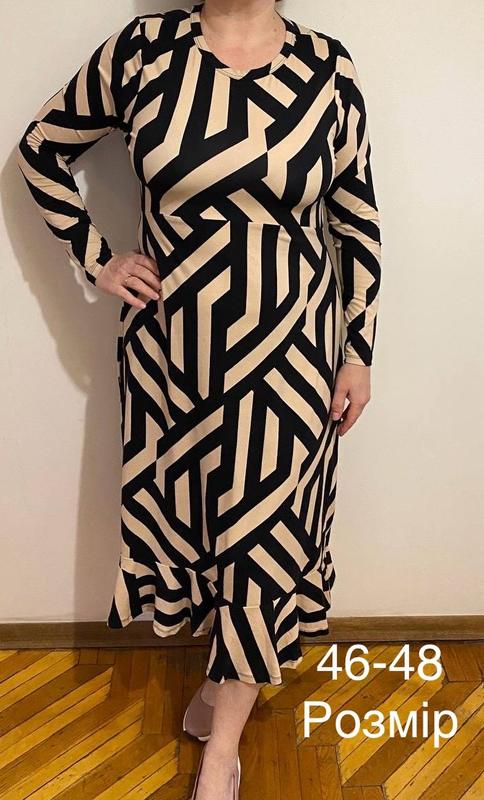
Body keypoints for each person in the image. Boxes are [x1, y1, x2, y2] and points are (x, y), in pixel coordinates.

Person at [17, 1, 382, 798]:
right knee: (200, 524)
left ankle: (223, 752)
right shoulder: (145, 51)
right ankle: (221, 676)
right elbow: (41, 149)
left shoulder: (328, 67)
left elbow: (355, 222)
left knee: (264, 538)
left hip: (291, 357)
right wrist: (98, 258)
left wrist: (358, 349)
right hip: (172, 354)